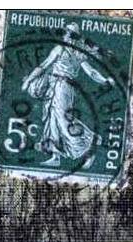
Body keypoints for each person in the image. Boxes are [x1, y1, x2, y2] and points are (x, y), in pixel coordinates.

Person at [20, 23, 116, 168]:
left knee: (62, 119)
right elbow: (44, 66)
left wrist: (105, 80)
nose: (67, 36)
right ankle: (55, 156)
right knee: (52, 120)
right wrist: (29, 80)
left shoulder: (73, 52)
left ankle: (90, 144)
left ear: (73, 37)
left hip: (63, 88)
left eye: (70, 34)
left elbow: (90, 72)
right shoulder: (70, 51)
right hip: (57, 87)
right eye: (67, 33)